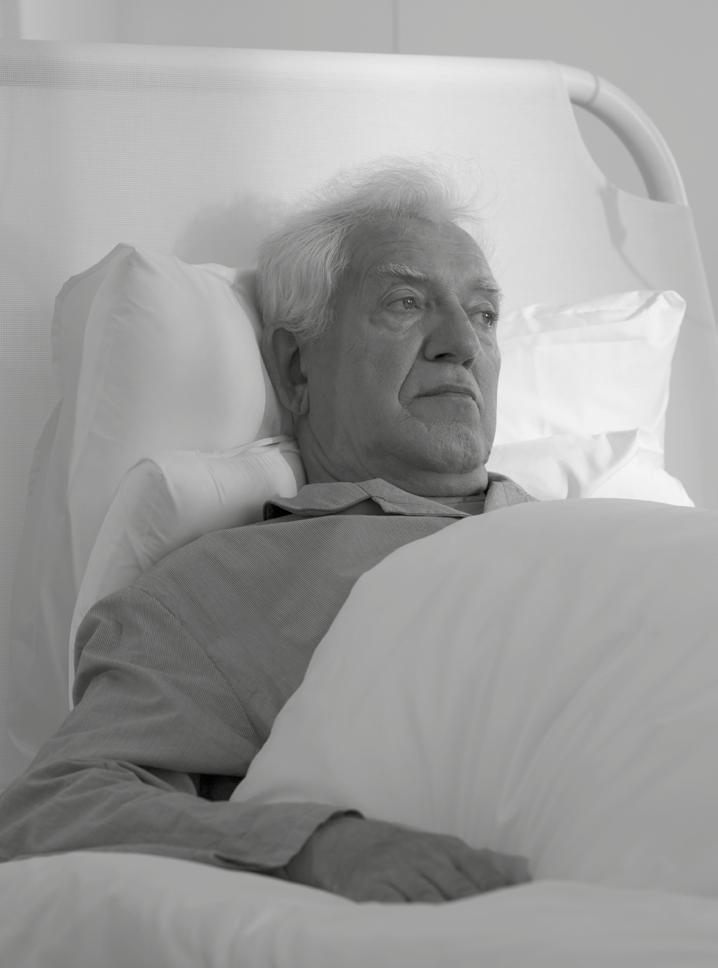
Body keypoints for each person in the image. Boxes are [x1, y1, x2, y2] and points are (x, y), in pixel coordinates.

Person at [0, 162, 534, 903]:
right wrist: (318, 847)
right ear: (296, 368)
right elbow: (51, 806)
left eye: (484, 314)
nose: (461, 343)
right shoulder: (224, 590)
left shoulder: (579, 521)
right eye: (406, 302)